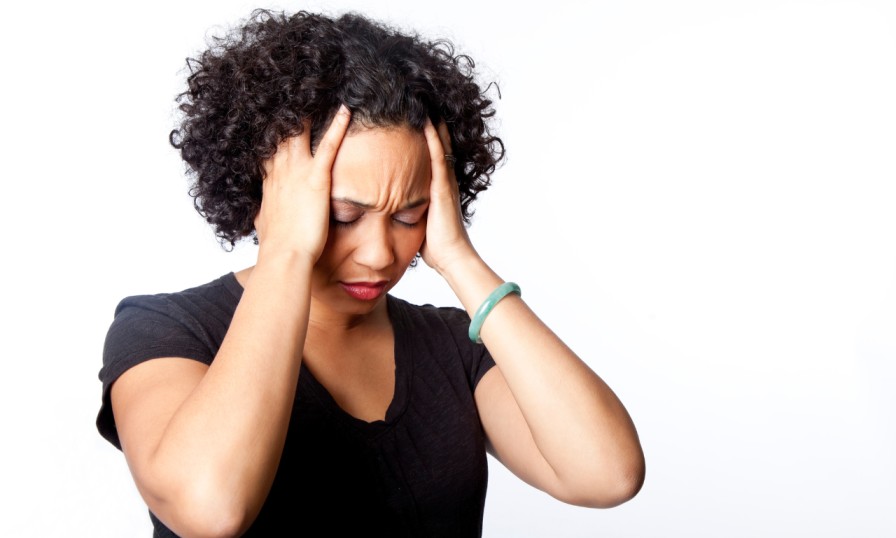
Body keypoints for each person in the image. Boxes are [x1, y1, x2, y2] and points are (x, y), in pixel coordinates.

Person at [96, 8, 645, 537]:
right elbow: (210, 509)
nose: (381, 254)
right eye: (343, 216)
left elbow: (607, 475)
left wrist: (458, 257)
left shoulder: (455, 347)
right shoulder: (167, 330)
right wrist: (285, 252)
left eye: (408, 216)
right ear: (268, 195)